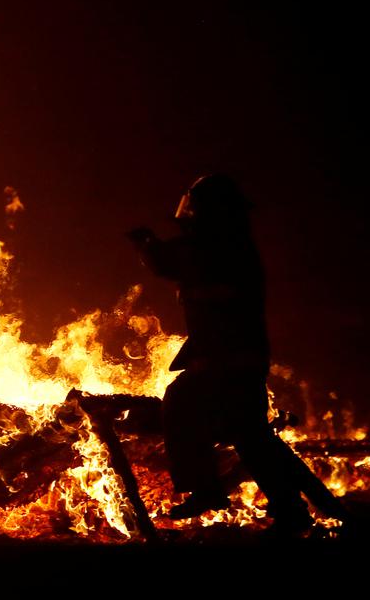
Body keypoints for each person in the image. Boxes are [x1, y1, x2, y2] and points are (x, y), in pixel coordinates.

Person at [130, 174, 344, 535]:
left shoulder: (217, 246)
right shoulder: (229, 244)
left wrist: (146, 242)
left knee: (182, 404)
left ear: (212, 211)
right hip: (236, 358)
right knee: (251, 437)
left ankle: (207, 490)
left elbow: (169, 263)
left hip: (227, 360)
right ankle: (291, 510)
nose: (189, 215)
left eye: (196, 207)